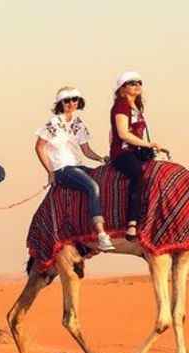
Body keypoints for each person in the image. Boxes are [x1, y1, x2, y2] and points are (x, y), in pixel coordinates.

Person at [35, 87, 114, 252]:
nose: (71, 103)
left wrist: (101, 158)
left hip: (77, 165)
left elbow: (86, 150)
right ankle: (101, 234)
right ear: (60, 103)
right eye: (67, 100)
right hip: (62, 169)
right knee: (92, 186)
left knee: (104, 178)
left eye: (74, 99)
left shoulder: (78, 124)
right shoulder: (53, 123)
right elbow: (39, 147)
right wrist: (50, 171)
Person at [110, 71, 162, 241]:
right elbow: (122, 134)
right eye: (132, 83)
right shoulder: (121, 106)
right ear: (122, 88)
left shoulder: (136, 108)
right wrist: (148, 144)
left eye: (139, 82)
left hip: (136, 151)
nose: (137, 85)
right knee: (138, 174)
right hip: (123, 153)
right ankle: (132, 222)